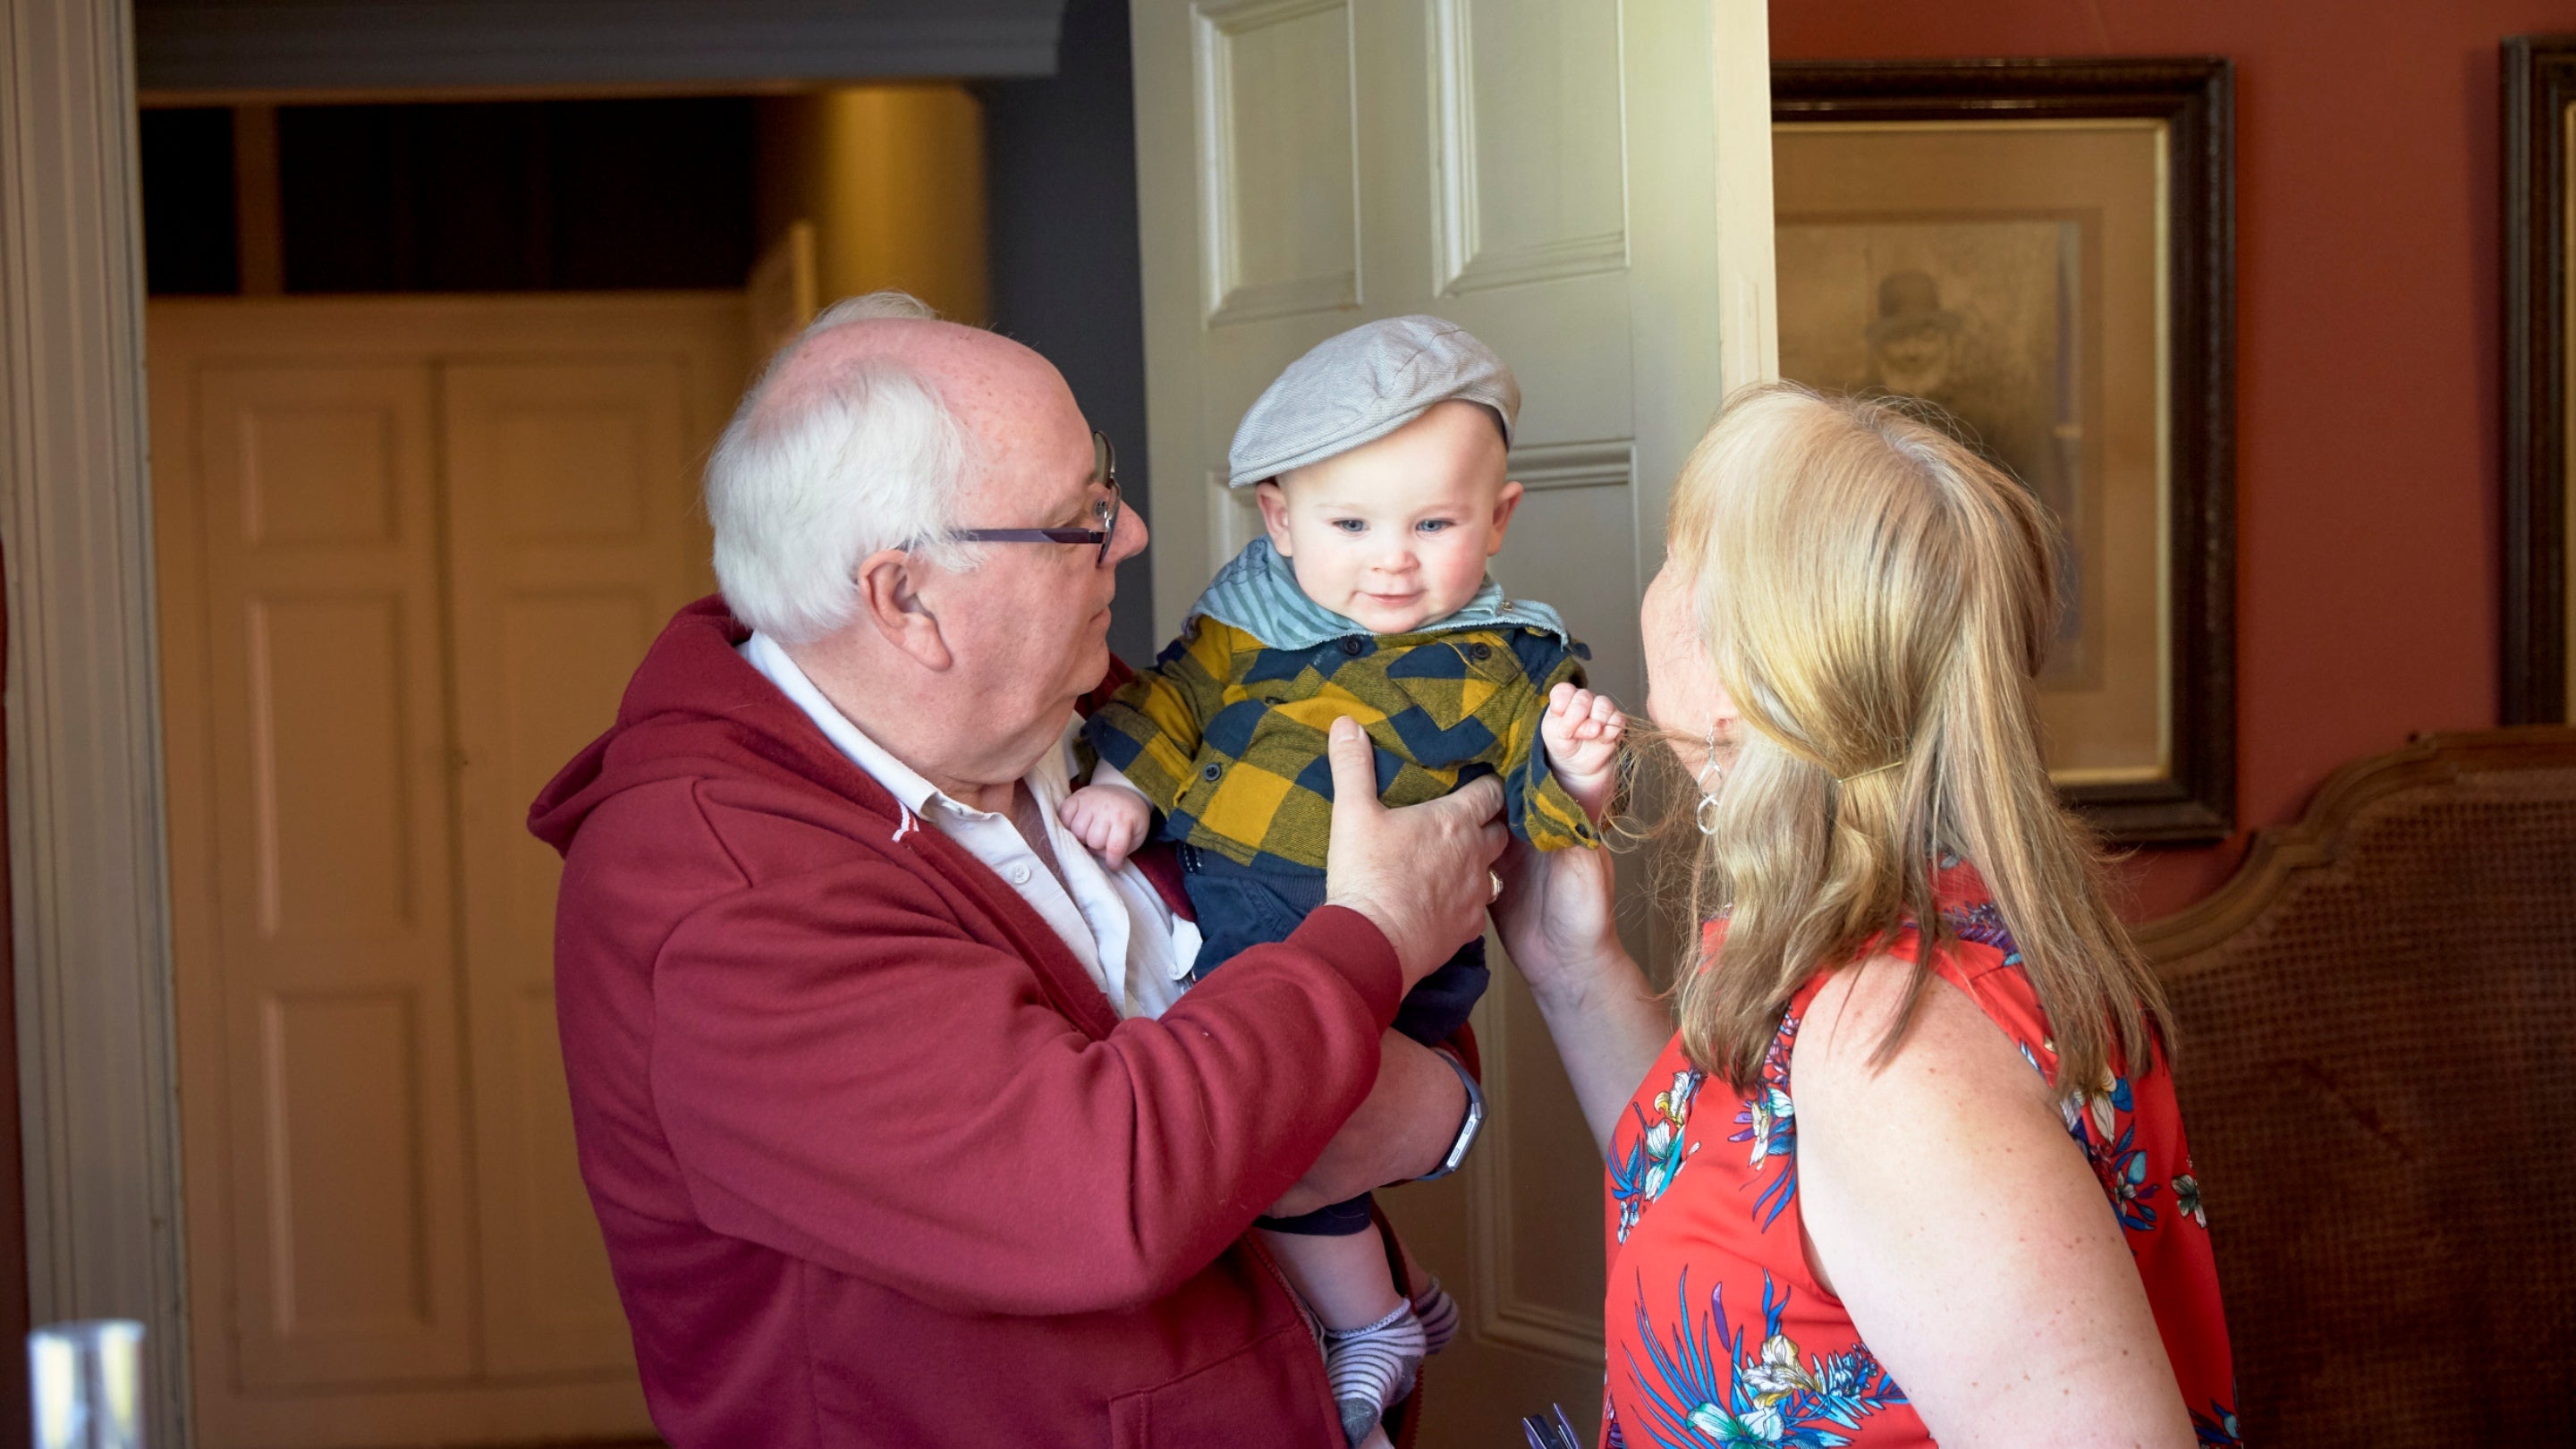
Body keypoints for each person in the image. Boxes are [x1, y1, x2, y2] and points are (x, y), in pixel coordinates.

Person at [527, 292, 1509, 1448]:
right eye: (1080, 514)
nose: (1132, 533)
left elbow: (1359, 1002)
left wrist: (1427, 1092)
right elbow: (1109, 1191)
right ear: (907, 600)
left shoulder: (1093, 724)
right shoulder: (717, 890)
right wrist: (1371, 948)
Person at [1488, 384, 2236, 1446]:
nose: (1654, 584)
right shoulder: (1853, 928)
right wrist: (1572, 963)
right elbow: (1729, 1208)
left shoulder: (1898, 1055)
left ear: (1736, 680)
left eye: (1676, 551)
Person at [1067, 317, 1626, 1447]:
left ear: (1500, 519)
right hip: (1235, 917)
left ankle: (1370, 1321)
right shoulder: (1240, 623)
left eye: (1435, 523)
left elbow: (1533, 806)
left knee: (1291, 1128)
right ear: (1279, 518)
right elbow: (1168, 701)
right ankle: (1385, 1297)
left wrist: (1576, 774)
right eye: (1352, 524)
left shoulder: (1511, 653)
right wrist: (1128, 779)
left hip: (1405, 961)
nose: (1394, 559)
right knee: (1260, 1117)